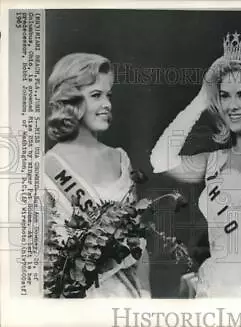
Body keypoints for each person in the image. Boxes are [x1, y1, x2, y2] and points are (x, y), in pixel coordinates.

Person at [150, 32, 241, 297]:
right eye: (224, 96)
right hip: (215, 291)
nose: (231, 106)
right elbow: (159, 160)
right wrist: (201, 100)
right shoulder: (213, 161)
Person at [43, 53, 151, 298]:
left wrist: (146, 298)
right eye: (96, 95)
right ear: (71, 101)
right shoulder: (47, 167)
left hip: (126, 299)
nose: (107, 104)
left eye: (108, 95)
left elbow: (139, 245)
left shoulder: (120, 159)